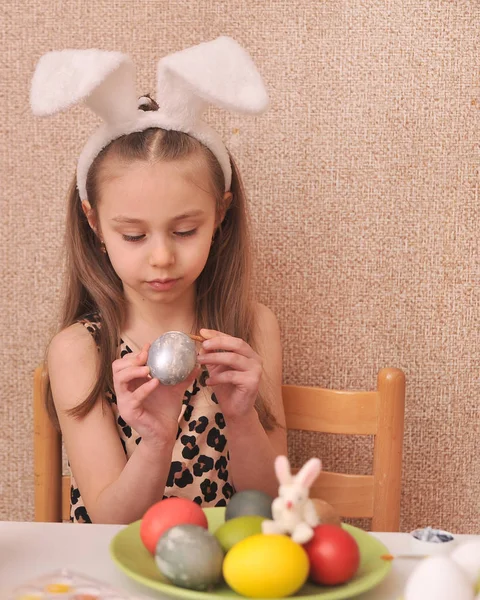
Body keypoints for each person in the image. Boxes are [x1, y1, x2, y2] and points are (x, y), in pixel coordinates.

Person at [30, 37, 287, 524]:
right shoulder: (80, 350)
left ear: (221, 214)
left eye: (185, 230)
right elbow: (109, 522)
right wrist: (157, 438)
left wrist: (241, 416)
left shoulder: (251, 328)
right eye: (133, 235)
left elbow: (271, 505)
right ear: (94, 223)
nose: (163, 257)